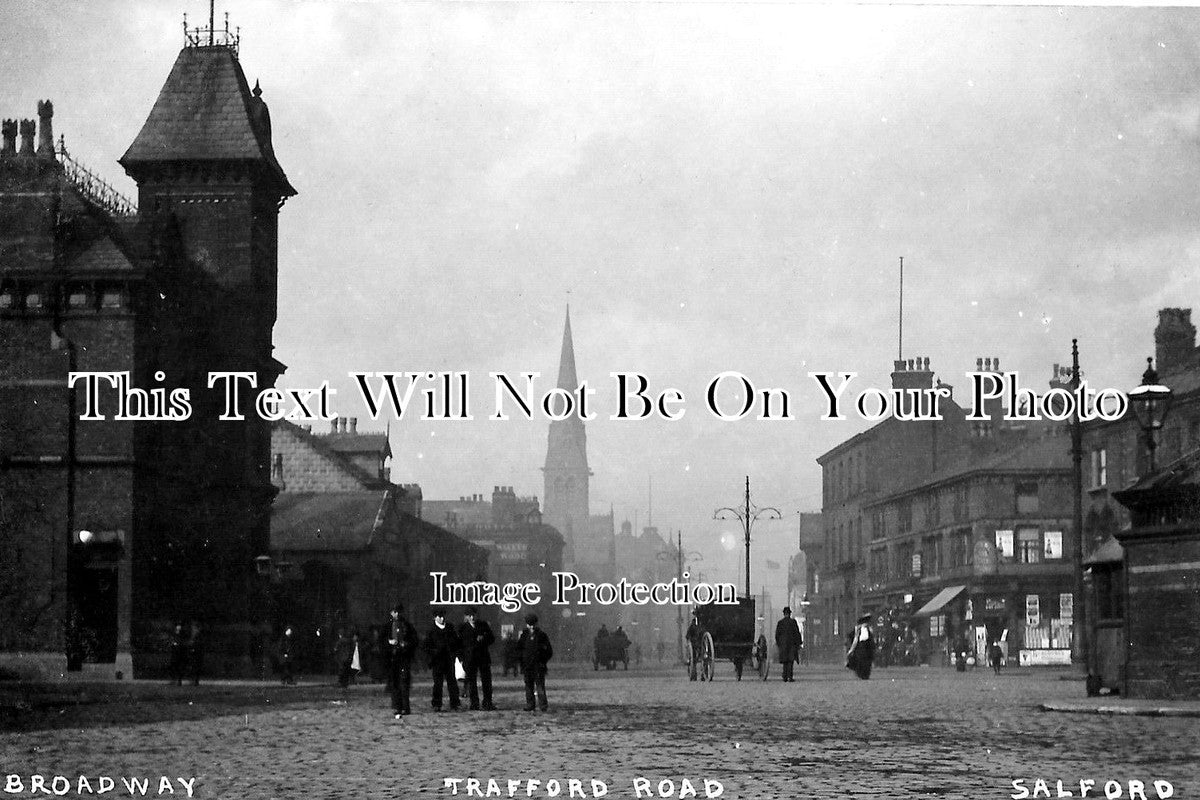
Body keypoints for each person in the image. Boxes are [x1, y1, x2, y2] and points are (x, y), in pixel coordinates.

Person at [425, 607, 462, 711]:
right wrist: (432, 656)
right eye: (439, 617)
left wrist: (456, 654)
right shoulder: (431, 630)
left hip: (449, 659)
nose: (442, 619)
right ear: (435, 618)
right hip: (437, 661)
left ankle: (455, 703)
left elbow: (456, 642)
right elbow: (427, 646)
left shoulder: (450, 628)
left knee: (452, 683)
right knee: (437, 683)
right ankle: (436, 704)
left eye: (443, 616)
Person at [459, 607, 496, 710]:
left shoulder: (483, 625)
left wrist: (484, 638)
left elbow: (492, 639)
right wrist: (461, 658)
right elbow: (459, 644)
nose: (472, 617)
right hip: (470, 658)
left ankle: (487, 702)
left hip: (483, 657)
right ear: (466, 617)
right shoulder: (462, 628)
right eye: (470, 615)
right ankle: (474, 703)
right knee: (471, 682)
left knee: (486, 681)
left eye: (474, 615)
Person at [385, 604, 418, 718]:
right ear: (391, 613)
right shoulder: (388, 626)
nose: (397, 614)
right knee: (395, 683)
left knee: (404, 682)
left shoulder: (407, 625)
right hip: (393, 658)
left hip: (404, 657)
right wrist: (389, 643)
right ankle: (398, 707)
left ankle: (405, 707)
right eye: (395, 612)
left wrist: (406, 644)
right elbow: (382, 641)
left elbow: (414, 640)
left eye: (398, 612)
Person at [518, 613, 553, 711]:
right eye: (530, 624)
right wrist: (522, 661)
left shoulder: (542, 635)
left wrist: (543, 661)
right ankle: (530, 704)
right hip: (527, 665)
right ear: (527, 624)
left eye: (533, 624)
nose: (532, 626)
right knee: (529, 687)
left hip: (538, 665)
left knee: (540, 686)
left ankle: (543, 705)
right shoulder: (524, 635)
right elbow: (518, 650)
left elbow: (549, 651)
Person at [775, 607, 803, 682]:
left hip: (783, 644)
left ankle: (785, 676)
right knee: (790, 661)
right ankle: (790, 676)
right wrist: (799, 643)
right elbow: (797, 633)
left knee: (785, 661)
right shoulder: (793, 622)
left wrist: (779, 643)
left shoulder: (780, 623)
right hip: (791, 644)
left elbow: (777, 634)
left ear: (784, 614)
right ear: (789, 614)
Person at [845, 613, 875, 680]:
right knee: (860, 660)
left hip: (867, 646)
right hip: (861, 647)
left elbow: (871, 639)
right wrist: (851, 650)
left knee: (867, 661)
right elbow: (855, 639)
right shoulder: (858, 629)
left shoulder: (869, 629)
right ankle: (861, 674)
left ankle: (865, 674)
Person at [168, 622, 187, 686]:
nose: (178, 629)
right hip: (175, 653)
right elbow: (171, 642)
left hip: (180, 653)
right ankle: (175, 679)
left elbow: (183, 643)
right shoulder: (174, 635)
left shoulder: (182, 636)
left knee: (180, 667)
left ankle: (179, 680)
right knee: (175, 666)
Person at [187, 620, 203, 686]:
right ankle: (194, 680)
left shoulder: (198, 635)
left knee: (196, 665)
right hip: (194, 650)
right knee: (194, 665)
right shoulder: (192, 634)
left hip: (197, 650)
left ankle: (196, 680)